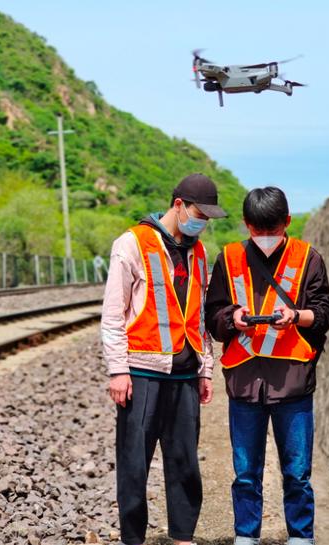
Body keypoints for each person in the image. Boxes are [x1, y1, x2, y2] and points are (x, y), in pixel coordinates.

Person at [101, 173, 227, 545]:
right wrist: (118, 370)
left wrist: (206, 369)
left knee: (185, 464)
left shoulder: (200, 251)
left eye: (207, 217)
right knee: (134, 464)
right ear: (178, 205)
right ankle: (133, 539)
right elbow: (113, 313)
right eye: (198, 214)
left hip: (185, 376)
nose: (202, 222)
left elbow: (200, 317)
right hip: (142, 372)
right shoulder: (132, 242)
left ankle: (182, 538)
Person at [206, 187, 329, 545]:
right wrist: (234, 318)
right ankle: (246, 536)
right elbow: (213, 318)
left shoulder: (308, 258)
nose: (264, 237)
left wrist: (296, 316)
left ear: (287, 223)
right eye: (257, 230)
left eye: (272, 229)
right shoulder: (228, 258)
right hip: (245, 384)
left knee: (297, 473)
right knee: (246, 473)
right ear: (247, 225)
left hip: (292, 384)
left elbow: (325, 313)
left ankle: (300, 537)